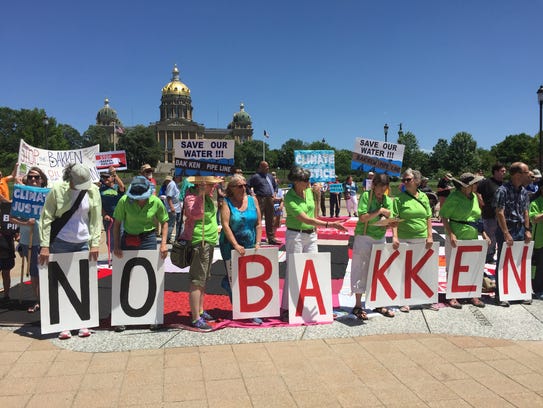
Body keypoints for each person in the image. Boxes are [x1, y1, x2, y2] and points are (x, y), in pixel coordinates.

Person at [38, 163, 102, 340]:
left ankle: (82, 321)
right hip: (61, 242)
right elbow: (46, 217)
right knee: (61, 284)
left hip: (83, 242)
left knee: (82, 284)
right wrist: (44, 245)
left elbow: (96, 219)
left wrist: (95, 243)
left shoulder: (93, 191)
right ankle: (64, 323)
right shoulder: (57, 189)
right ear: (70, 179)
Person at [282, 166, 347, 310]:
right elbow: (305, 219)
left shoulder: (309, 192)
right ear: (296, 181)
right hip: (296, 235)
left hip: (310, 234)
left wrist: (317, 196)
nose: (308, 182)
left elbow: (314, 214)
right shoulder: (290, 197)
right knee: (293, 270)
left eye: (308, 179)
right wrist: (329, 224)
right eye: (305, 180)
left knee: (313, 267)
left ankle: (311, 303)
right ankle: (287, 307)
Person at [112, 175, 169, 332]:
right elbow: (116, 225)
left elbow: (165, 222)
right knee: (126, 276)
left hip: (149, 238)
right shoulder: (124, 201)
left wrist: (163, 244)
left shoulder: (156, 202)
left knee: (149, 276)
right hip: (128, 239)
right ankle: (121, 316)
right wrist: (116, 245)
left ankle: (152, 316)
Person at [219, 174, 263, 324]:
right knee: (235, 280)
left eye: (245, 185)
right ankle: (242, 311)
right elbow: (225, 225)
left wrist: (258, 242)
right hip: (230, 245)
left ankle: (249, 308)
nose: (243, 188)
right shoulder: (226, 203)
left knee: (250, 277)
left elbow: (258, 223)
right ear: (231, 188)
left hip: (250, 244)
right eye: (239, 186)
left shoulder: (253, 200)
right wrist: (236, 245)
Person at [350, 173, 396, 319]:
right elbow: (363, 218)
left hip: (380, 237)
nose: (381, 192)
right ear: (373, 185)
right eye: (378, 188)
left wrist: (393, 230)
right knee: (360, 269)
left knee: (379, 271)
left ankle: (378, 302)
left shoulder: (388, 199)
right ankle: (358, 305)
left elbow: (392, 219)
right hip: (364, 237)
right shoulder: (366, 196)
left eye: (384, 189)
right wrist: (380, 211)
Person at [439, 173, 488, 308]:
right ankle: (452, 296)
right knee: (453, 266)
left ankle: (472, 294)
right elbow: (443, 216)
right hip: (456, 236)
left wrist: (483, 233)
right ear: (467, 186)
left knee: (473, 265)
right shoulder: (454, 197)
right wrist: (451, 234)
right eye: (474, 184)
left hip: (472, 236)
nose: (477, 186)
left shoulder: (474, 197)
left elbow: (477, 218)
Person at [179, 176, 221, 332]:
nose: (214, 187)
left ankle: (201, 310)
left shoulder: (208, 197)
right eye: (211, 185)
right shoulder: (192, 197)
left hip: (209, 241)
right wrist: (201, 195)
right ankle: (196, 317)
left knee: (204, 278)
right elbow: (194, 214)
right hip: (199, 241)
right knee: (197, 280)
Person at [392, 168, 436, 313]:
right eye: (403, 180)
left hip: (422, 238)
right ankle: (404, 300)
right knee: (405, 271)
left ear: (417, 181)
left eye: (408, 180)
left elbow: (428, 217)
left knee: (422, 270)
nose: (404, 182)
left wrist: (430, 236)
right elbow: (394, 220)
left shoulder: (424, 197)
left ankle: (424, 299)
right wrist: (395, 237)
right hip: (405, 238)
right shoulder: (399, 199)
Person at [494, 162, 533, 307]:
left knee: (519, 260)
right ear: (517, 174)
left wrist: (527, 229)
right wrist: (506, 233)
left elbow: (526, 211)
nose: (529, 174)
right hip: (507, 228)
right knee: (504, 260)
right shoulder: (502, 190)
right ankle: (501, 294)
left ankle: (518, 291)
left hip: (520, 228)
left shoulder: (524, 191)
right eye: (526, 172)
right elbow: (499, 212)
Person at [10, 167, 48, 312]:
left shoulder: (48, 194)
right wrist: (25, 223)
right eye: (30, 177)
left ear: (42, 179)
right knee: (34, 271)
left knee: (47, 271)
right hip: (29, 241)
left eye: (36, 177)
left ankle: (50, 299)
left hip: (45, 241)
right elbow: (12, 218)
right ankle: (39, 301)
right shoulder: (20, 195)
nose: (33, 179)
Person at [477, 163, 506, 264]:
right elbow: (477, 191)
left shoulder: (504, 184)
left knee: (501, 236)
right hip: (489, 213)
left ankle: (499, 255)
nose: (504, 173)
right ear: (496, 172)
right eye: (502, 171)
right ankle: (488, 256)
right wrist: (481, 203)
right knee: (490, 237)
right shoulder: (486, 182)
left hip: (501, 215)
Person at [248, 161, 280, 245]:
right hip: (260, 198)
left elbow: (275, 185)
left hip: (270, 198)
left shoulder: (270, 176)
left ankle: (271, 237)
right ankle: (255, 238)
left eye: (268, 167)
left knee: (270, 218)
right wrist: (251, 194)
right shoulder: (255, 177)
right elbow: (247, 185)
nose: (267, 169)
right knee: (258, 219)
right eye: (265, 167)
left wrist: (275, 192)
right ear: (260, 167)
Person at [99, 166, 125, 264]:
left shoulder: (117, 188)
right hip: (108, 219)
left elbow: (122, 187)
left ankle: (122, 257)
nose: (105, 179)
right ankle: (114, 257)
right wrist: (104, 214)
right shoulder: (100, 189)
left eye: (107, 177)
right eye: (104, 177)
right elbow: (99, 204)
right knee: (110, 239)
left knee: (121, 236)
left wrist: (114, 174)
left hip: (119, 217)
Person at [529, 178, 543, 299]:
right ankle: (538, 289)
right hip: (540, 239)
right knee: (539, 266)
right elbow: (534, 219)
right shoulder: (535, 202)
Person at [163, 175, 182, 243]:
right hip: (173, 208)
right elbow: (169, 197)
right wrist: (172, 207)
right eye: (180, 176)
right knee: (171, 224)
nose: (181, 178)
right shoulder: (172, 184)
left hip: (177, 208)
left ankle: (178, 238)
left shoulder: (176, 184)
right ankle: (167, 238)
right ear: (176, 177)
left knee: (179, 223)